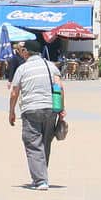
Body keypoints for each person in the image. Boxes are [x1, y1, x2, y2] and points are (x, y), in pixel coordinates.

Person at [9, 39, 63, 190]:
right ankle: (41, 175)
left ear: (26, 52)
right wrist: (61, 108)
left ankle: (40, 180)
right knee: (45, 143)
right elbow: (59, 86)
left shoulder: (22, 69)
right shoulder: (50, 66)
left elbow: (14, 92)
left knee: (33, 144)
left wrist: (11, 111)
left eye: (22, 51)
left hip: (31, 109)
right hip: (50, 108)